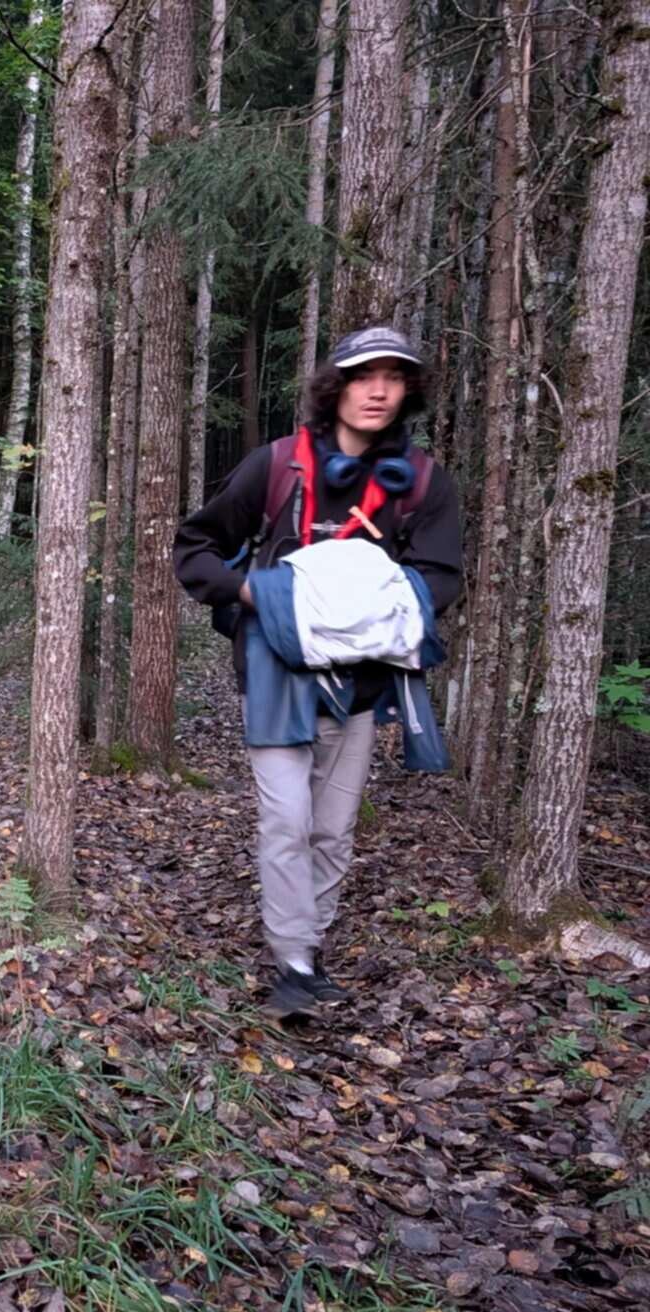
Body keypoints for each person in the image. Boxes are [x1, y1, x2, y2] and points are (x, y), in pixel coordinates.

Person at [174, 326, 464, 1018]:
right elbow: (196, 547)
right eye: (364, 376)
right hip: (276, 672)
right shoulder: (278, 465)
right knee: (286, 820)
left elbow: (442, 576)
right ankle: (294, 964)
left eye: (394, 378)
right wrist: (255, 593)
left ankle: (310, 944)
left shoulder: (423, 482)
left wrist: (369, 608)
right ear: (336, 387)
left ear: (409, 391)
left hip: (361, 683)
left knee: (332, 830)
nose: (379, 391)